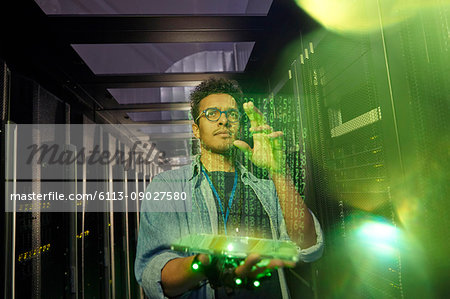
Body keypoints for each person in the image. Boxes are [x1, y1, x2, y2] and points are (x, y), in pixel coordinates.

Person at [135, 78, 324, 298]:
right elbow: (155, 278)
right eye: (212, 113)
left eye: (232, 115)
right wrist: (208, 263)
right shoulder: (167, 186)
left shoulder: (268, 189)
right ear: (196, 129)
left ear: (240, 126)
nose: (223, 120)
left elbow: (308, 246)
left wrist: (278, 171)